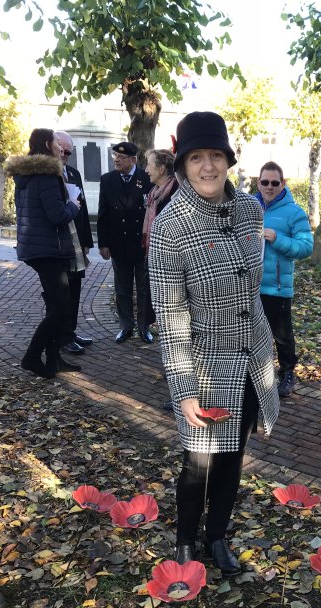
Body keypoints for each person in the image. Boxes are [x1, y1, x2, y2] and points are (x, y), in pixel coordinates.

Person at [148, 111, 279, 575]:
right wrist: (183, 389)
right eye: (197, 157)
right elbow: (170, 315)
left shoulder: (249, 209)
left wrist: (269, 355)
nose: (208, 167)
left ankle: (217, 535)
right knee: (198, 464)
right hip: (204, 366)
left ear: (228, 160)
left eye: (216, 156)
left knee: (232, 460)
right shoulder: (170, 227)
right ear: (182, 163)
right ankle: (185, 543)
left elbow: (254, 286)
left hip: (251, 361)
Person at [5, 128, 83, 378]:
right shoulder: (47, 175)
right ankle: (31, 357)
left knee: (55, 305)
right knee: (60, 308)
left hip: (36, 247)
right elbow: (57, 216)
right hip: (49, 249)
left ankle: (53, 360)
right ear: (47, 145)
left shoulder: (26, 176)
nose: (61, 148)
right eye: (58, 143)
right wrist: (73, 205)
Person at [256, 161, 313, 398]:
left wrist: (277, 238)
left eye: (274, 183)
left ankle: (288, 373)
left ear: (283, 184)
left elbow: (306, 247)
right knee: (252, 333)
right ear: (258, 183)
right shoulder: (248, 207)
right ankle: (256, 375)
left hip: (277, 287)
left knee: (282, 334)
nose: (269, 187)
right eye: (265, 182)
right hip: (248, 285)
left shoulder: (294, 213)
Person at [96, 141, 154, 343]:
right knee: (122, 289)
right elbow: (103, 213)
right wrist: (103, 243)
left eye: (121, 158)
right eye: (115, 157)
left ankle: (144, 327)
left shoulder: (147, 179)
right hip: (119, 243)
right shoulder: (107, 180)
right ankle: (126, 326)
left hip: (142, 245)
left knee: (144, 288)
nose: (117, 160)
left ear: (133, 160)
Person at [143, 148, 179, 412]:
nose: (146, 169)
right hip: (161, 268)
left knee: (177, 333)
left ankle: (184, 392)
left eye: (149, 164)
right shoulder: (157, 195)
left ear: (163, 168)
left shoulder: (174, 195)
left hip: (174, 273)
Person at [55, 131, 94, 355]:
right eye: (63, 151)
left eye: (69, 152)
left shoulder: (74, 173)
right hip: (59, 245)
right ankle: (61, 335)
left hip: (76, 244)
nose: (66, 156)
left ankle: (70, 331)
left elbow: (83, 209)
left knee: (75, 289)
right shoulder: (49, 175)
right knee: (62, 292)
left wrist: (86, 241)